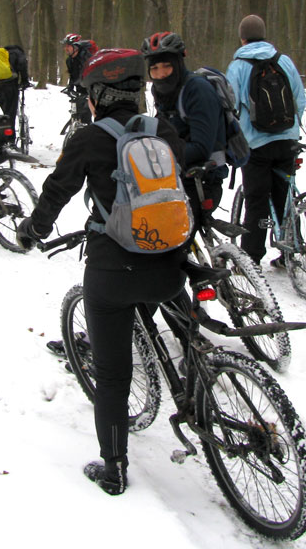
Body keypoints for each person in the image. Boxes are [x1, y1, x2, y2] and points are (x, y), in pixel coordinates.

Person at [16, 48, 187, 496]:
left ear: (97, 97)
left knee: (112, 375)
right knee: (172, 302)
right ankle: (199, 377)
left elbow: (55, 194)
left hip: (114, 271)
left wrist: (32, 231)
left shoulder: (89, 139)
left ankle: (114, 469)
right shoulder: (165, 132)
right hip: (168, 264)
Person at [225, 14, 306, 267]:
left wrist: (235, 137)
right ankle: (291, 250)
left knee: (257, 200)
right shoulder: (284, 61)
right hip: (287, 141)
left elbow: (230, 105)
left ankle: (251, 258)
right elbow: (299, 99)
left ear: (242, 38)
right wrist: (290, 129)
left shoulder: (238, 66)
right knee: (285, 196)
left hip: (256, 145)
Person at [141, 31, 227, 228]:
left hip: (202, 181)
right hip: (174, 177)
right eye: (154, 68)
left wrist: (158, 157)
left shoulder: (197, 90)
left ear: (179, 63)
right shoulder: (162, 91)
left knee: (168, 237)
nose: (161, 74)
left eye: (167, 66)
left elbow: (201, 148)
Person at [0, 44, 28, 129]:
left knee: (6, 113)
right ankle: (9, 135)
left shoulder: (1, 54)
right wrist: (25, 81)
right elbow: (22, 65)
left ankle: (2, 132)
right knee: (10, 115)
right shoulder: (18, 52)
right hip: (10, 86)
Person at [62, 33, 97, 125]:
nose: (66, 49)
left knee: (86, 117)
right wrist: (70, 87)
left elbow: (91, 76)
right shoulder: (69, 60)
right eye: (65, 46)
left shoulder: (86, 58)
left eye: (68, 46)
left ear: (76, 47)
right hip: (79, 89)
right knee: (76, 114)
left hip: (90, 89)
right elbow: (72, 75)